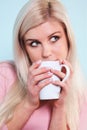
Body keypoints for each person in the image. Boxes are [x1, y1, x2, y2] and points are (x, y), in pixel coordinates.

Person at [0, 0, 87, 130]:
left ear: (68, 39)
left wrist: (59, 106)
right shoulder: (5, 75)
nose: (46, 53)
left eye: (54, 38)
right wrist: (29, 103)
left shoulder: (82, 96)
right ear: (24, 49)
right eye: (34, 43)